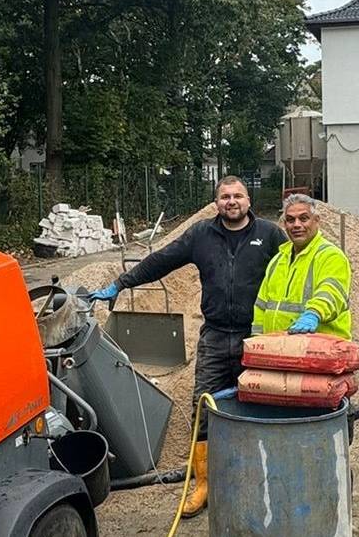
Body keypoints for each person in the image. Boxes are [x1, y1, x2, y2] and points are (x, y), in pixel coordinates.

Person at [92, 175, 283, 518]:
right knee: (204, 409)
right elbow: (161, 260)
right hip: (213, 336)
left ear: (249, 201)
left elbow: (296, 267)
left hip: (256, 338)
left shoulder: (269, 235)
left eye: (237, 195)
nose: (231, 201)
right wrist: (120, 283)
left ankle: (255, 476)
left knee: (257, 404)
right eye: (225, 196)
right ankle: (204, 485)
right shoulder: (201, 235)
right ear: (216, 203)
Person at [252, 194, 352, 340]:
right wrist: (257, 339)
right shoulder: (278, 260)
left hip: (320, 353)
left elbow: (331, 293)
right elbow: (261, 306)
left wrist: (314, 313)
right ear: (285, 224)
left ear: (316, 221)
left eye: (303, 218)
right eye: (290, 220)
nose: (297, 225)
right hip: (280, 351)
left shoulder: (330, 256)